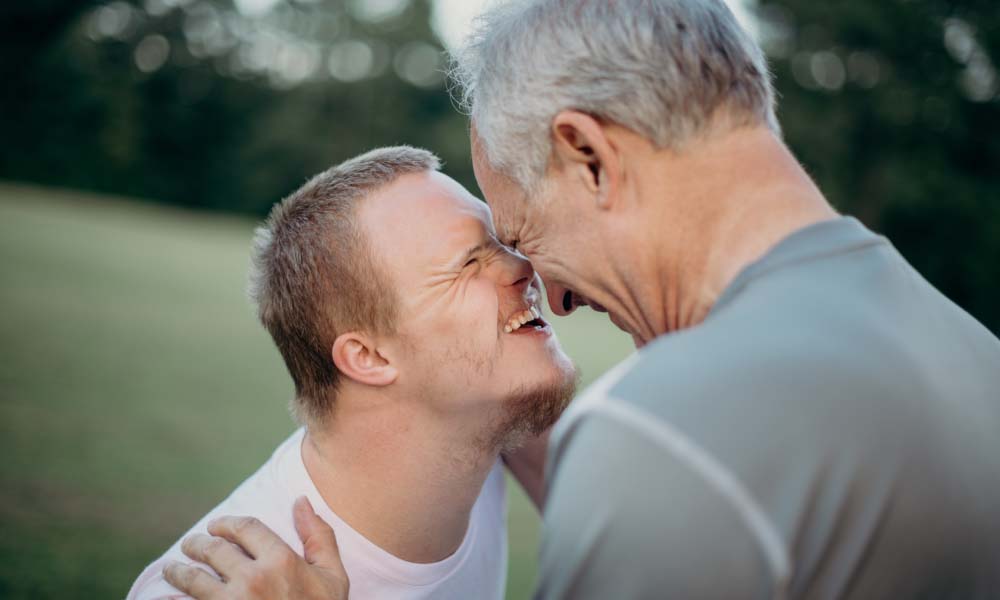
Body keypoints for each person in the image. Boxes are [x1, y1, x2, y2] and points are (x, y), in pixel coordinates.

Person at [166, 0, 1000, 598]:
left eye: (523, 234)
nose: (552, 296)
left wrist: (643, 442)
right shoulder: (970, 348)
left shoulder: (666, 438)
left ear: (590, 158)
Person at [130, 146, 576, 599]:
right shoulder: (218, 586)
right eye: (468, 264)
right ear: (369, 357)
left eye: (503, 243)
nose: (524, 266)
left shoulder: (488, 422)